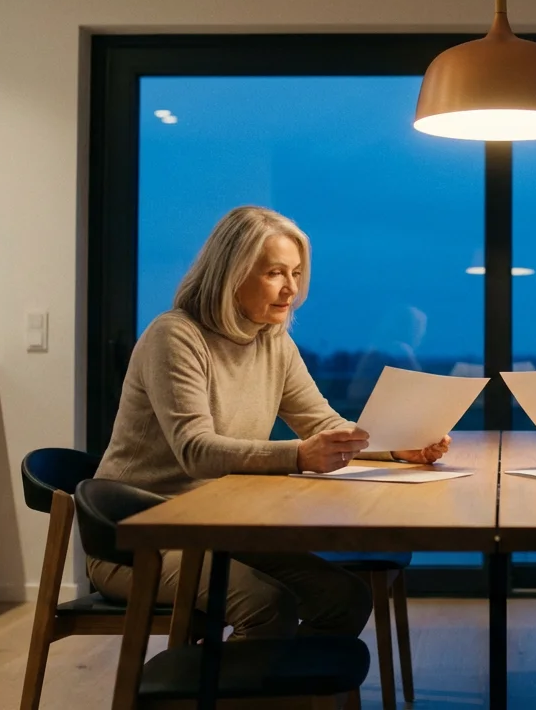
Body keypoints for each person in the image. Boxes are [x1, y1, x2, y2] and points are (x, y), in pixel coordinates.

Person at [89, 206, 451, 640]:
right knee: (266, 605)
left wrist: (397, 445)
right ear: (230, 273)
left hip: (218, 528)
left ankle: (294, 698)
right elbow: (196, 451)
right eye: (275, 273)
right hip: (140, 539)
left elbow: (322, 422)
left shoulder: (272, 341)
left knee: (344, 597)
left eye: (296, 274)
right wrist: (298, 455)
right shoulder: (176, 336)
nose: (291, 290)